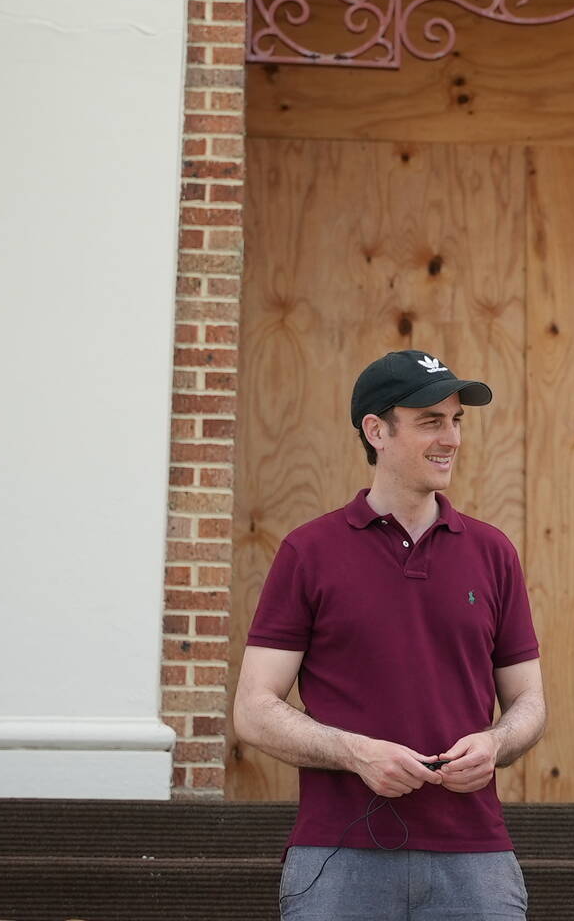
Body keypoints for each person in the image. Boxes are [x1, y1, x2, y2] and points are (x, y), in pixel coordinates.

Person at [235, 349, 545, 921]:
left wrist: (496, 744)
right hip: (337, 853)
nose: (450, 437)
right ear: (376, 430)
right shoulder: (309, 552)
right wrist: (355, 753)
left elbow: (528, 701)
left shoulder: (493, 551)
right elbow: (253, 710)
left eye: (456, 420)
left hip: (475, 853)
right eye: (431, 420)